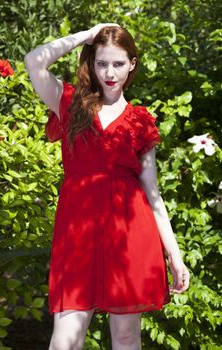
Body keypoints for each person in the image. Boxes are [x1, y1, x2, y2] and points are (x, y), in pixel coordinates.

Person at [24, 23, 190, 350]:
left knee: (126, 338)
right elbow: (33, 61)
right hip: (78, 236)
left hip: (130, 236)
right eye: (102, 63)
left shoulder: (140, 121)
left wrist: (173, 253)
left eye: (117, 63)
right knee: (64, 342)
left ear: (132, 64)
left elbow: (152, 195)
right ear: (92, 63)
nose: (109, 72)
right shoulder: (70, 102)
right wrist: (87, 36)